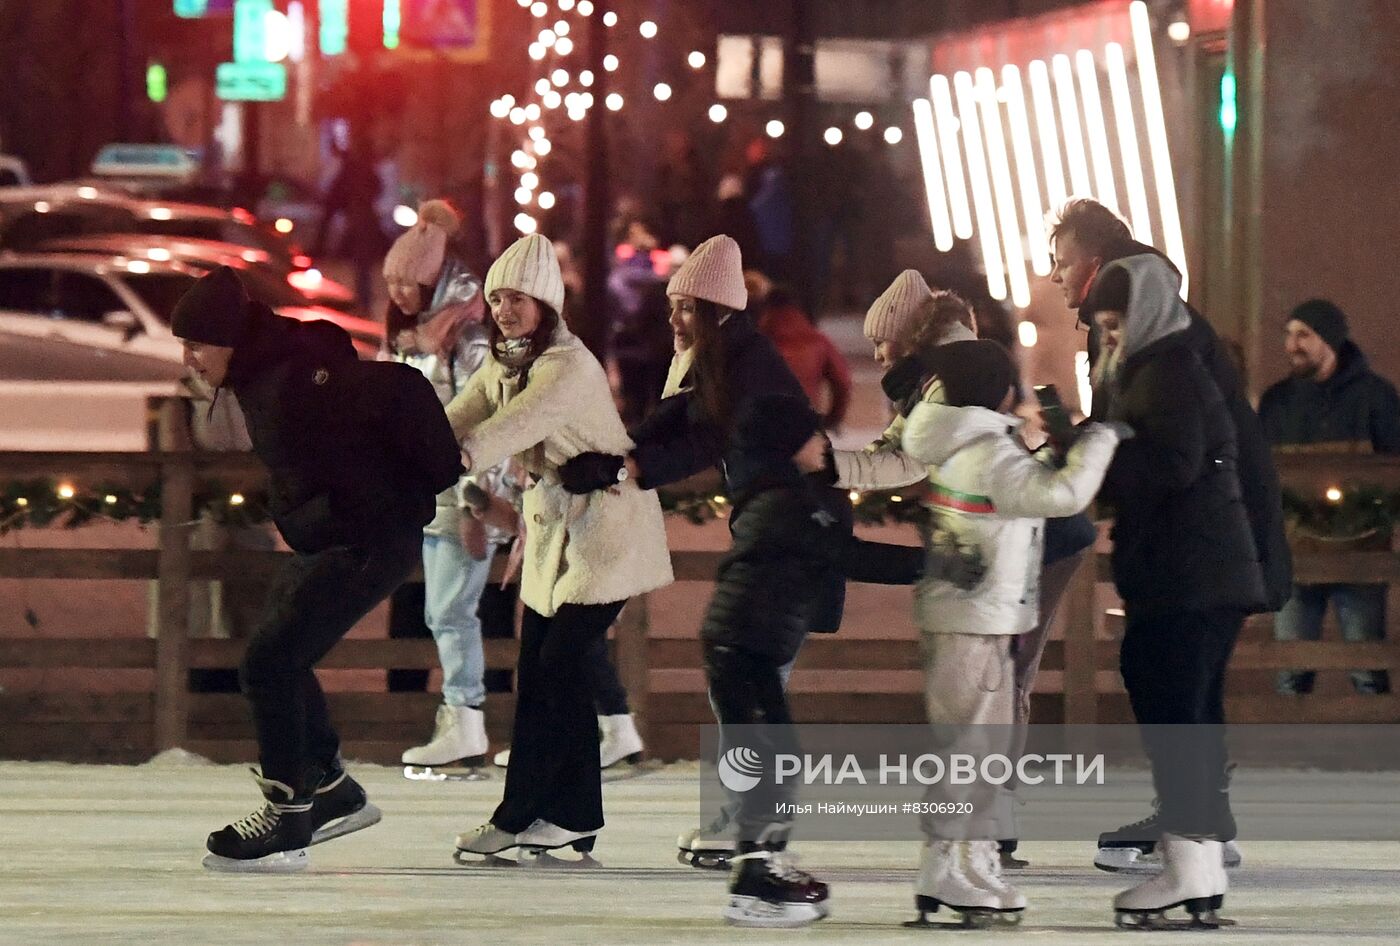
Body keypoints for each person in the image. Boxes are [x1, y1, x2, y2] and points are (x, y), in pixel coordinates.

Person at [558, 236, 835, 926]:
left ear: (715, 310)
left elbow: (700, 437)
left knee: (756, 691)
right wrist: (618, 460)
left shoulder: (744, 366)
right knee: (748, 688)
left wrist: (624, 465)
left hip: (795, 540)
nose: (673, 318)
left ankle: (758, 853)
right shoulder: (719, 356)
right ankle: (746, 839)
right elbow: (674, 425)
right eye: (674, 306)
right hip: (772, 535)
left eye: (684, 307)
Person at [173, 267, 464, 873]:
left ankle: (289, 816)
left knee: (270, 661)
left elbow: (349, 449)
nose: (190, 360)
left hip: (364, 540)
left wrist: (345, 519)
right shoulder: (266, 370)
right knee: (279, 655)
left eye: (197, 345)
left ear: (228, 338)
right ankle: (332, 791)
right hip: (342, 538)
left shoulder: (289, 380)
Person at [1048, 198, 1289, 872]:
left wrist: (1088, 459)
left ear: (1098, 267)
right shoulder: (1163, 330)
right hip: (1205, 537)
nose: (1058, 278)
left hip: (1198, 542)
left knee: (1172, 676)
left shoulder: (1152, 343)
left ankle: (1192, 836)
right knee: (1179, 677)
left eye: (1064, 264)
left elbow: (1164, 452)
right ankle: (1198, 820)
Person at [445, 233, 673, 862]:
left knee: (555, 671)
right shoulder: (508, 361)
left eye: (517, 297)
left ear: (545, 301)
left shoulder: (566, 367)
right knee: (547, 672)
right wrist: (418, 442)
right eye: (496, 298)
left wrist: (461, 457)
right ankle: (571, 814)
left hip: (607, 533)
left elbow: (512, 426)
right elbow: (467, 410)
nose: (504, 309)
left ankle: (519, 814)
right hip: (559, 533)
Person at [895, 338, 1122, 926]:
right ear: (998, 391)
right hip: (971, 622)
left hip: (978, 618)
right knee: (971, 751)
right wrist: (1099, 439)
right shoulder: (986, 450)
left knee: (983, 750)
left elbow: (1020, 494)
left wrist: (1047, 453)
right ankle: (946, 863)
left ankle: (971, 860)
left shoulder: (969, 444)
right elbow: (1061, 496)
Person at [1083, 256, 1267, 927]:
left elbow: (1174, 463)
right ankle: (1200, 867)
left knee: (1175, 715)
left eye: (1113, 324)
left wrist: (1101, 450)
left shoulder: (1165, 370)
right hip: (1192, 574)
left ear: (1144, 315)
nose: (1108, 338)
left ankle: (1190, 870)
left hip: (1189, 578)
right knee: (1182, 714)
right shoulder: (1160, 367)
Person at [382, 199, 522, 773]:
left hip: (462, 490)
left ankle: (465, 715)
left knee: (451, 609)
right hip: (432, 490)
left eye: (407, 282)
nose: (397, 294)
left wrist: (477, 501)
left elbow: (487, 417)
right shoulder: (420, 335)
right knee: (446, 610)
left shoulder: (468, 338)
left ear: (432, 278)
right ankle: (462, 717)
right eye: (390, 282)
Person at [1259, 299, 1400, 695]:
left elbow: (1393, 472)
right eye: (1288, 334)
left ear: (1330, 339)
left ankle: (1378, 757)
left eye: (1303, 334)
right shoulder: (1276, 403)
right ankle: (1290, 757)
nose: (1291, 345)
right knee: (1291, 671)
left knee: (1367, 669)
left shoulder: (1376, 399)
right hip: (1297, 556)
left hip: (1362, 556)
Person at [752, 275, 853, 430]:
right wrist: (832, 419)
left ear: (766, 308)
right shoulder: (818, 341)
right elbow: (843, 381)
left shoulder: (757, 342)